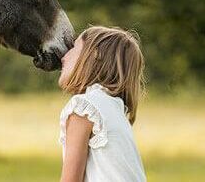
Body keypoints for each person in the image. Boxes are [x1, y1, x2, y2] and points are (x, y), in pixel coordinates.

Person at [58, 26, 147, 182]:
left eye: (73, 48)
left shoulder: (85, 108)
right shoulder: (114, 108)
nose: (65, 55)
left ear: (93, 55)